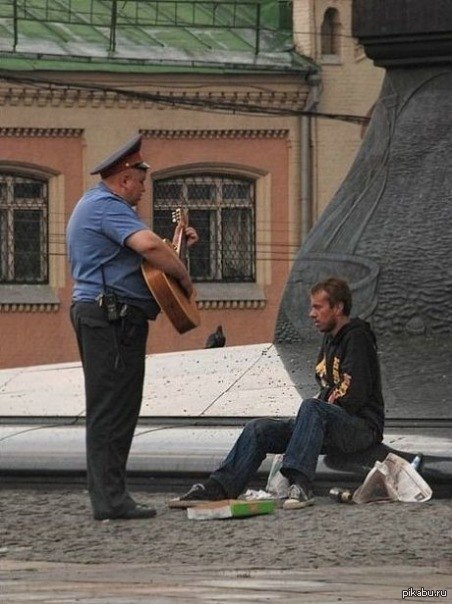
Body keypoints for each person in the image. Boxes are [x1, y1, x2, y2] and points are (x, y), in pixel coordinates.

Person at [67, 133, 198, 521]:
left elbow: (143, 258)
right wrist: (185, 277)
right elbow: (150, 248)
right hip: (111, 318)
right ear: (125, 178)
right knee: (112, 408)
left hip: (111, 317)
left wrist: (178, 250)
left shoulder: (100, 205)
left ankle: (112, 494)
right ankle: (110, 500)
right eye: (141, 183)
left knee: (117, 406)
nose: (143, 192)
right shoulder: (107, 206)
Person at [175, 277, 385, 510]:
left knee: (311, 407)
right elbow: (326, 387)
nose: (311, 314)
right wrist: (324, 403)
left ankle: (300, 485)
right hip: (330, 422)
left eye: (318, 307)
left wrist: (324, 402)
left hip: (362, 428)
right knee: (259, 429)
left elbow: (352, 396)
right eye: (311, 307)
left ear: (338, 308)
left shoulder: (357, 337)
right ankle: (220, 487)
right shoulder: (330, 339)